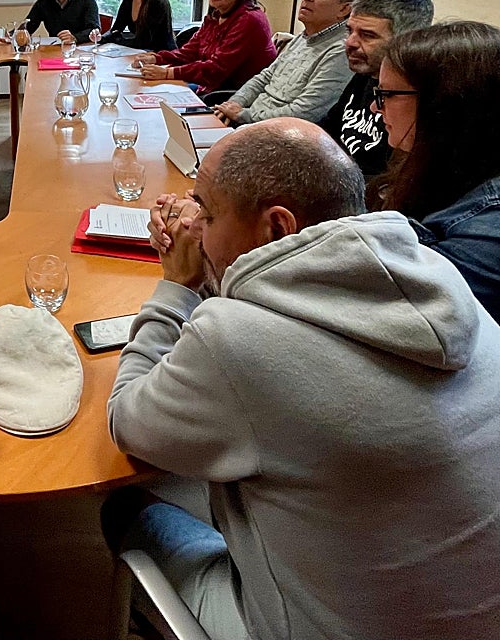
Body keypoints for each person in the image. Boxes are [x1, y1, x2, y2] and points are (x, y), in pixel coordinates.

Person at [105, 119, 500, 640]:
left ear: (277, 228)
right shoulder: (439, 278)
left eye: (208, 211)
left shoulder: (235, 340)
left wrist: (177, 287)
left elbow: (127, 418)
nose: (195, 226)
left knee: (126, 505)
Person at [372, 21, 500, 319]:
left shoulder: (488, 230)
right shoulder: (445, 165)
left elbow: (399, 316)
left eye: (386, 95)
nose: (375, 108)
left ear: (444, 104)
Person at [214, 0, 361, 125]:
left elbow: (303, 113)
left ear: (344, 9)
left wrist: (243, 115)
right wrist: (234, 104)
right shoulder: (304, 37)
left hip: (276, 132)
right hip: (248, 120)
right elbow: (265, 77)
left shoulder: (341, 51)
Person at [318, 0, 433, 177]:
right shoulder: (364, 75)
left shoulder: (412, 98)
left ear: (405, 40)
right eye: (350, 31)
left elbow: (389, 180)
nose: (350, 43)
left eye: (367, 35)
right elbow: (327, 129)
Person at [131, 0, 276, 95]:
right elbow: (190, 51)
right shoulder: (216, 14)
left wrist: (168, 73)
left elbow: (216, 69)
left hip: (232, 94)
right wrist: (157, 58)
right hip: (210, 86)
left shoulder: (250, 20)